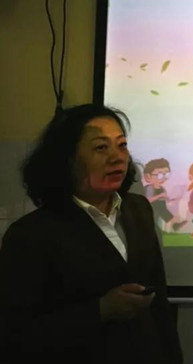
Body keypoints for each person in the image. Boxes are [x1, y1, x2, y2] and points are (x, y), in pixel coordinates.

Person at [0, 104, 182, 363]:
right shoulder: (30, 234)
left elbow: (159, 302)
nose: (117, 157)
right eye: (101, 147)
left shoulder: (138, 209)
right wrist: (101, 310)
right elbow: (17, 337)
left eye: (122, 145)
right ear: (67, 159)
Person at [143, 158, 187, 233]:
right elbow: (147, 200)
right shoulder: (150, 188)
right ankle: (174, 224)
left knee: (160, 215)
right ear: (149, 176)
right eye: (159, 175)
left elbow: (165, 199)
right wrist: (159, 196)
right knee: (160, 213)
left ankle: (174, 225)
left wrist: (173, 199)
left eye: (166, 174)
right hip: (151, 209)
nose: (163, 178)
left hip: (160, 208)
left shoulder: (162, 188)